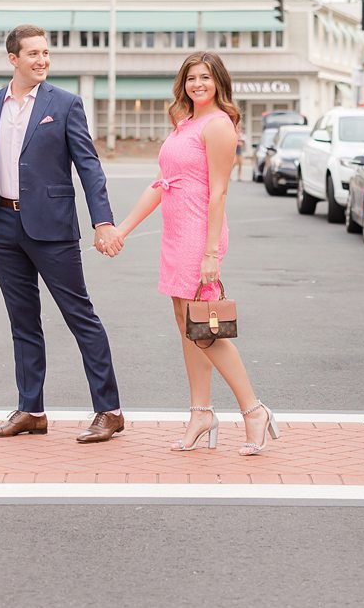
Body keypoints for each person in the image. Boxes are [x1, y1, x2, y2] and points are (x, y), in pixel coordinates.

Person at [112, 52, 279, 456]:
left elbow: (219, 191)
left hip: (198, 237)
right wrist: (122, 229)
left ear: (219, 81)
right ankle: (200, 412)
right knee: (189, 328)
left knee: (205, 330)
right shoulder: (185, 123)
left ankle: (254, 410)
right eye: (191, 78)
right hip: (174, 234)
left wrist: (210, 254)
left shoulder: (219, 125)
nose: (198, 84)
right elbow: (161, 183)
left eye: (205, 77)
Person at [0, 24, 126, 443]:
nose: (42, 60)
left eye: (45, 53)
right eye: (33, 54)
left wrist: (103, 221)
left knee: (80, 317)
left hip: (52, 227)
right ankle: (31, 410)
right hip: (1, 226)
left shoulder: (65, 104)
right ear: (13, 59)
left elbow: (89, 166)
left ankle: (109, 410)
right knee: (22, 321)